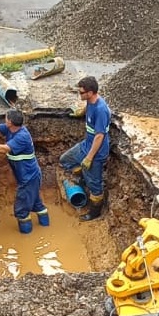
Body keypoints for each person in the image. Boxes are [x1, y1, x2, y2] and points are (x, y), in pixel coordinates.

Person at [60, 76, 111, 221]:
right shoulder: (91, 101)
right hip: (86, 144)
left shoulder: (101, 110)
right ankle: (83, 177)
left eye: (82, 93)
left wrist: (89, 157)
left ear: (90, 92)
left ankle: (94, 212)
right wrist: (81, 112)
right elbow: (89, 108)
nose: (79, 95)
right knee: (65, 160)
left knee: (95, 185)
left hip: (96, 151)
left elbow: (99, 136)